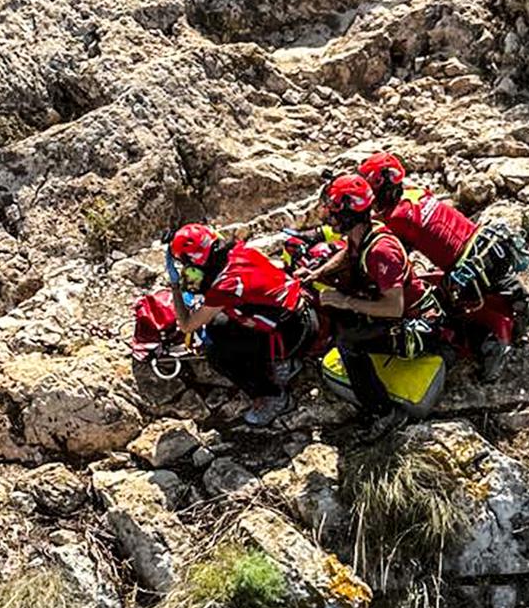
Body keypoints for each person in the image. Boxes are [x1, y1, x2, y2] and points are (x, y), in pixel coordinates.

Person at [357, 151, 529, 381]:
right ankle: (521, 305)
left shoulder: (395, 218)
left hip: (468, 269)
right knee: (456, 278)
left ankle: (488, 342)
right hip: (488, 246)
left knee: (436, 309)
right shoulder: (416, 193)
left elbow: (385, 248)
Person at [304, 175, 444, 433]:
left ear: (349, 214)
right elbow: (349, 254)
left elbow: (393, 308)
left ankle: (384, 412)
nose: (329, 216)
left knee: (349, 344)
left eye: (334, 211)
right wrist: (318, 273)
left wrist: (345, 301)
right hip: (405, 314)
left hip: (419, 325)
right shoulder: (364, 233)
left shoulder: (381, 252)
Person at [166, 223, 316, 427]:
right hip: (300, 316)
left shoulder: (225, 287)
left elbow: (187, 326)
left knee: (217, 354)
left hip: (293, 335)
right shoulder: (240, 252)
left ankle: (273, 396)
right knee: (217, 325)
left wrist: (175, 285)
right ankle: (283, 363)